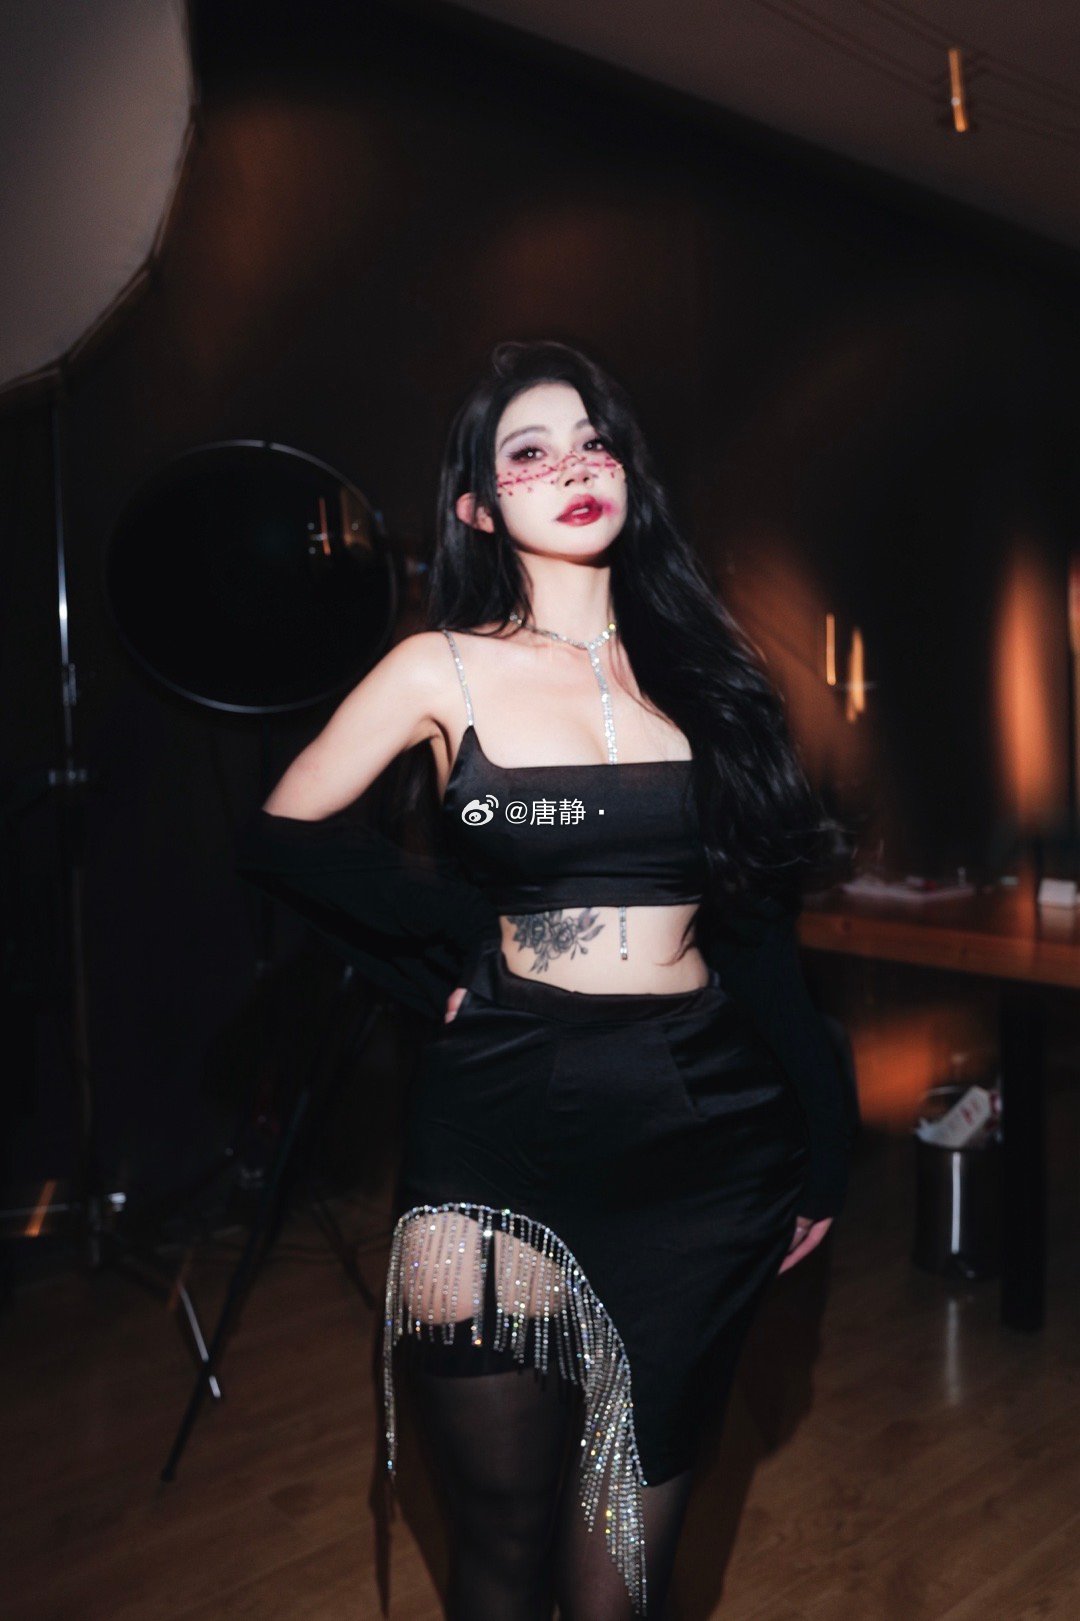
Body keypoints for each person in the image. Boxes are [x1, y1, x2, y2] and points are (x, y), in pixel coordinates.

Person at [236, 339, 856, 1619]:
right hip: (497, 1128)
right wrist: (446, 953)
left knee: (621, 1577)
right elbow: (284, 837)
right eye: (531, 452)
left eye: (594, 441)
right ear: (476, 505)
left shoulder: (710, 672)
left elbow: (760, 933)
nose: (574, 467)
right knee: (502, 1555)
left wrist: (825, 1137)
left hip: (702, 1135)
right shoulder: (439, 668)